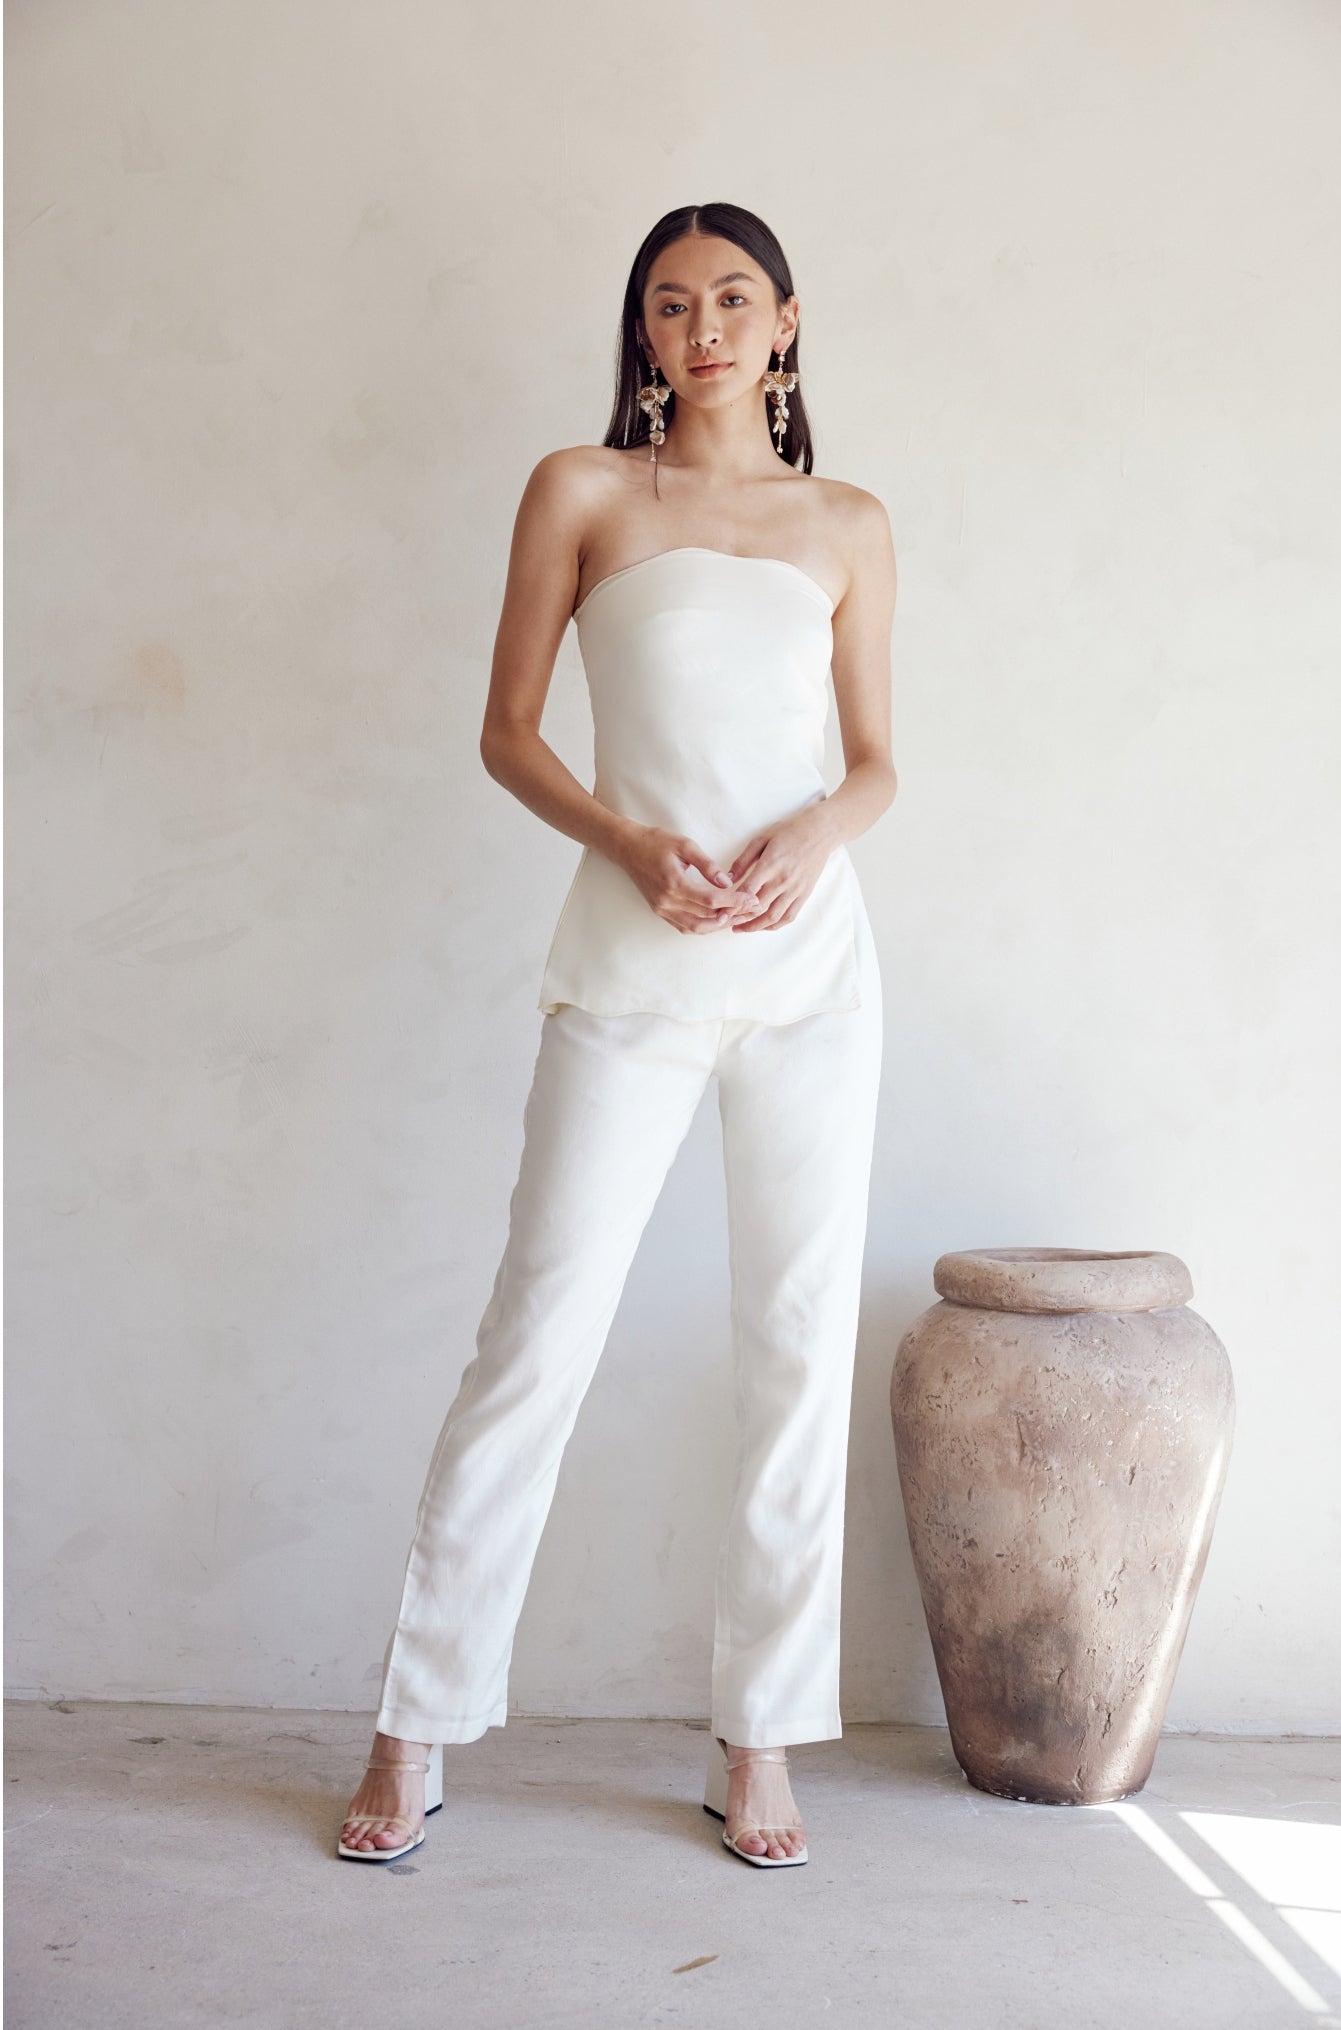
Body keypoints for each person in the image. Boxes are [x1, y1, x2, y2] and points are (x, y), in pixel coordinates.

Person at [338, 200, 897, 1868]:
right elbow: (509, 732)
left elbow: (877, 760)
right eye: (669, 304)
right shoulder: (581, 491)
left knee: (795, 1347)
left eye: (732, 299)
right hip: (629, 965)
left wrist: (817, 832)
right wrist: (628, 841)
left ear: (785, 323)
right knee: (537, 1335)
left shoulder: (848, 522)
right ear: (642, 332)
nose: (700, 328)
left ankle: (760, 1738)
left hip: (811, 980)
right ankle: (416, 1722)